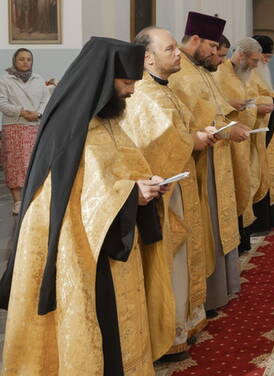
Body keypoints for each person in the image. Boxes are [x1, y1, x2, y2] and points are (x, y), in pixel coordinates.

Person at [0, 37, 169, 375]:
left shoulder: (108, 120)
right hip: (74, 247)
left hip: (110, 236)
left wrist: (144, 184)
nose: (132, 90)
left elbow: (118, 169)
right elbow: (66, 192)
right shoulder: (70, 125)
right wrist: (130, 194)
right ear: (103, 79)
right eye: (127, 82)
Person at [122, 27, 216, 361]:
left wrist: (196, 134)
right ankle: (170, 331)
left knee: (184, 256)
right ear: (148, 58)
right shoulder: (145, 94)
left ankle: (185, 321)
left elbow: (179, 129)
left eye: (176, 47)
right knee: (171, 261)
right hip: (164, 190)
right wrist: (193, 140)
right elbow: (156, 143)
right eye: (170, 49)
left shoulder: (165, 88)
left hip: (180, 181)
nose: (178, 53)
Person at [168, 12, 250, 315]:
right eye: (212, 46)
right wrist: (227, 130)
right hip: (200, 161)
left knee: (217, 222)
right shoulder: (182, 74)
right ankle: (209, 294)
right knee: (207, 223)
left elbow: (216, 107)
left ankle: (222, 289)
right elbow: (191, 121)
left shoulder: (199, 70)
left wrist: (231, 120)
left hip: (216, 154)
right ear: (196, 40)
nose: (216, 53)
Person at [211, 37, 264, 248]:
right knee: (232, 188)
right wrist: (229, 104)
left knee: (244, 182)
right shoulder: (219, 72)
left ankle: (243, 236)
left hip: (243, 139)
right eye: (253, 60)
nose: (255, 65)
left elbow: (253, 96)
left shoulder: (244, 73)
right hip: (226, 141)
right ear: (241, 55)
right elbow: (210, 105)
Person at [247, 34, 274, 233]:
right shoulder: (248, 72)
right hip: (255, 131)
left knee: (268, 170)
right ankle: (259, 220)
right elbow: (250, 99)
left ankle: (270, 218)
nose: (266, 61)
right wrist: (273, 100)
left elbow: (265, 94)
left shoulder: (261, 71)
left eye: (269, 57)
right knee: (258, 172)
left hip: (267, 128)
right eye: (264, 57)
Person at [0, 48, 53, 215]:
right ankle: (17, 202)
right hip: (13, 126)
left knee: (34, 163)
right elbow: (2, 103)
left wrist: (38, 113)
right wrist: (21, 112)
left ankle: (33, 199)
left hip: (35, 126)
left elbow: (46, 99)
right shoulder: (5, 80)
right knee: (14, 164)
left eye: (28, 59)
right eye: (21, 59)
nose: (25, 62)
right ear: (14, 61)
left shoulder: (38, 79)